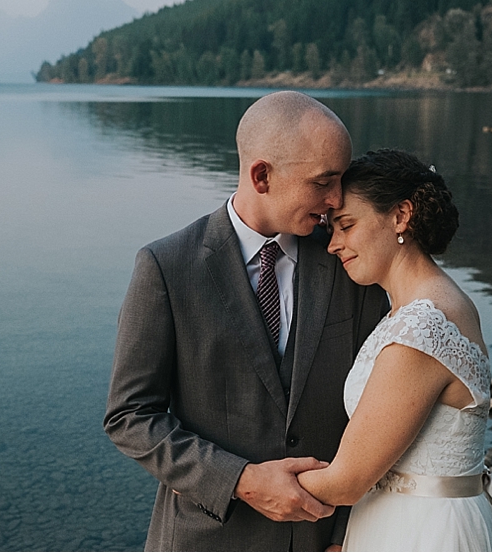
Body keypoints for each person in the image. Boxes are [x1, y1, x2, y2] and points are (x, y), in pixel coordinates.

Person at [103, 91, 389, 551]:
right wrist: (242, 480)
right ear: (262, 175)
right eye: (323, 182)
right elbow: (130, 416)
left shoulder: (348, 261)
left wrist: (345, 534)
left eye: (341, 180)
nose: (336, 200)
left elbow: (377, 408)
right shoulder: (166, 267)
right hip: (207, 538)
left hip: (328, 540)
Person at [297, 148, 492, 551]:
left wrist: (241, 483)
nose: (333, 245)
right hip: (409, 518)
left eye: (346, 225)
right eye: (332, 230)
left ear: (400, 216)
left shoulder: (421, 329)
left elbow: (346, 482)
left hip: (423, 532)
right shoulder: (433, 303)